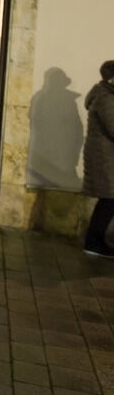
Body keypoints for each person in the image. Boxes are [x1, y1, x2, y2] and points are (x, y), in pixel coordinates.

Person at [82, 60, 114, 257]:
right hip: (105, 157)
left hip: (106, 156)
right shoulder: (105, 98)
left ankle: (95, 240)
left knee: (109, 199)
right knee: (110, 199)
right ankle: (93, 242)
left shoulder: (108, 96)